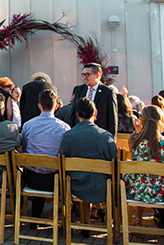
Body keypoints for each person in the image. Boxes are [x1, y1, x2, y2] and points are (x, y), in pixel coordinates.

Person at [59, 97, 117, 231]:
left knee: (83, 175)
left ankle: (83, 223)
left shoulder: (68, 136)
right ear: (95, 113)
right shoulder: (106, 136)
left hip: (75, 185)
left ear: (77, 114)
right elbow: (114, 162)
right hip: (101, 186)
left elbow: (61, 159)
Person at [21, 89, 70, 221]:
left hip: (31, 179)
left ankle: (34, 218)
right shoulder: (64, 128)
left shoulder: (28, 125)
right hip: (54, 180)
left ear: (39, 106)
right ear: (56, 106)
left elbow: (25, 149)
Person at [124, 105, 164, 226]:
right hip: (160, 193)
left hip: (136, 191)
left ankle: (137, 217)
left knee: (137, 174)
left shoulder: (134, 140)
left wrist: (137, 130)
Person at [71, 63, 117, 135]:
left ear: (97, 75)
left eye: (87, 74)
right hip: (80, 134)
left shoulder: (108, 93)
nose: (85, 77)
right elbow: (73, 113)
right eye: (83, 75)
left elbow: (112, 120)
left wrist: (111, 141)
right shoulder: (79, 90)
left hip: (99, 135)